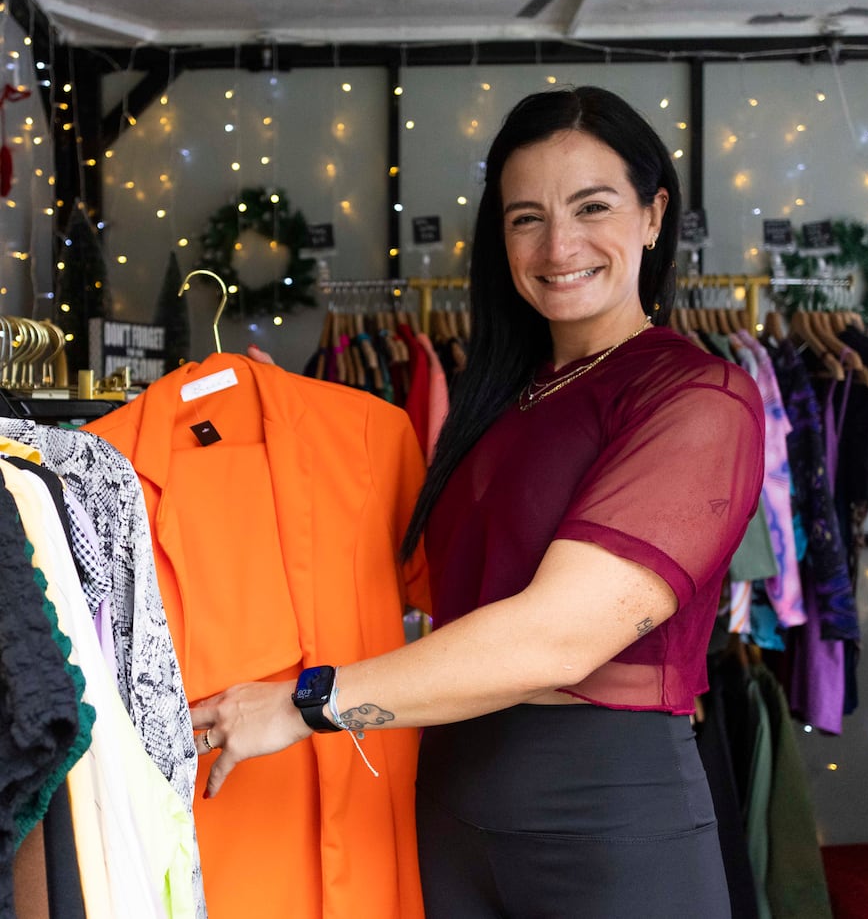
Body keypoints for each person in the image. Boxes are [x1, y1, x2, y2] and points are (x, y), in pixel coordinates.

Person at [193, 85, 765, 918]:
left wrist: (303, 704)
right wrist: (291, 430)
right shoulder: (504, 399)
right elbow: (425, 588)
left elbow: (560, 638)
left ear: (653, 214)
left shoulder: (697, 397)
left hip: (605, 828)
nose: (558, 243)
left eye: (592, 206)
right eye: (525, 216)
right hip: (447, 810)